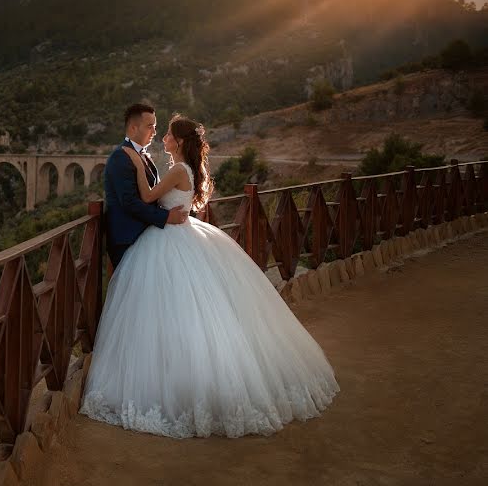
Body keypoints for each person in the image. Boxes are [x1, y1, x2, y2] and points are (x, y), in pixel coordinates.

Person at [81, 114, 339, 438]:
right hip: (184, 233)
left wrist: (134, 164)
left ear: (181, 141)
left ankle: (175, 384)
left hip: (169, 240)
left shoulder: (177, 169)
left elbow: (147, 197)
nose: (163, 140)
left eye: (169, 136)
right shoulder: (184, 169)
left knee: (167, 312)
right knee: (192, 314)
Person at [104, 103, 189, 270]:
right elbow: (129, 202)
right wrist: (166, 217)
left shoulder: (143, 156)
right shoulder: (121, 157)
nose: (155, 132)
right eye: (150, 126)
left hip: (147, 238)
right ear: (134, 128)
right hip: (128, 239)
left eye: (155, 127)